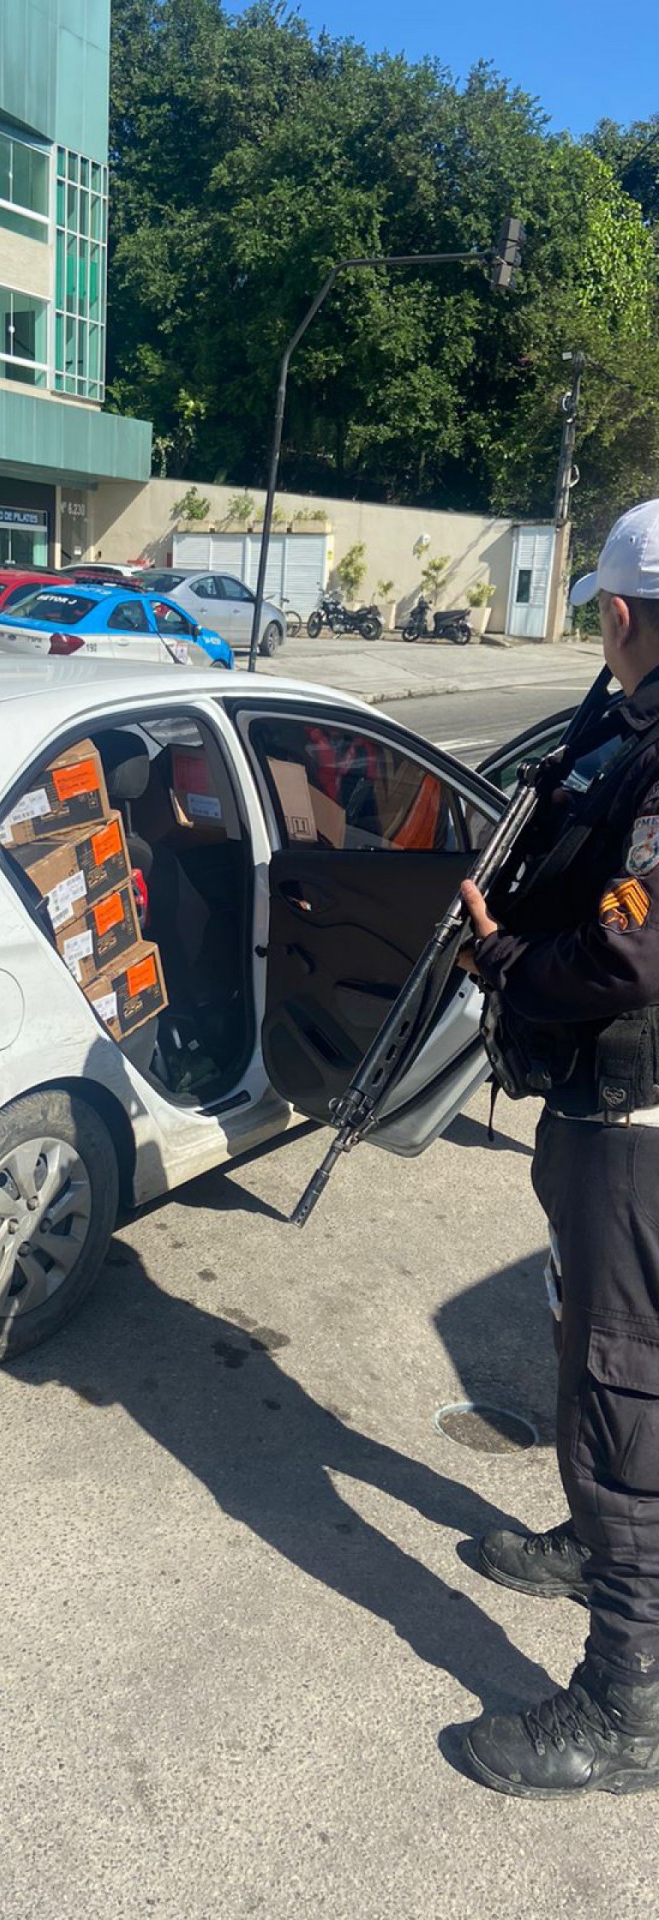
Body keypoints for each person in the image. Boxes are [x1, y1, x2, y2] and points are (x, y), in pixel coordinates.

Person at [455, 499, 659, 1798]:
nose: (599, 629)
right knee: (596, 1340)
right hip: (609, 1115)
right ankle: (596, 1547)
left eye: (601, 611)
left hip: (637, 1129)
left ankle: (627, 1709)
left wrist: (509, 960)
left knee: (621, 1390)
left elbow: (635, 946)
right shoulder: (623, 720)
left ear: (625, 612)